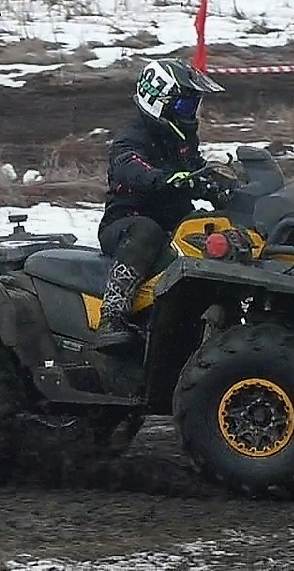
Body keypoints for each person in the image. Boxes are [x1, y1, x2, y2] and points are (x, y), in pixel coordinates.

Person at [94, 58, 232, 353]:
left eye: (193, 106)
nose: (191, 113)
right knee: (148, 231)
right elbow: (129, 167)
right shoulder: (131, 138)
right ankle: (112, 314)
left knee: (212, 225)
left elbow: (197, 169)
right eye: (184, 106)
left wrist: (221, 187)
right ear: (158, 99)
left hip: (174, 221)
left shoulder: (181, 138)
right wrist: (165, 179)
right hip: (127, 224)